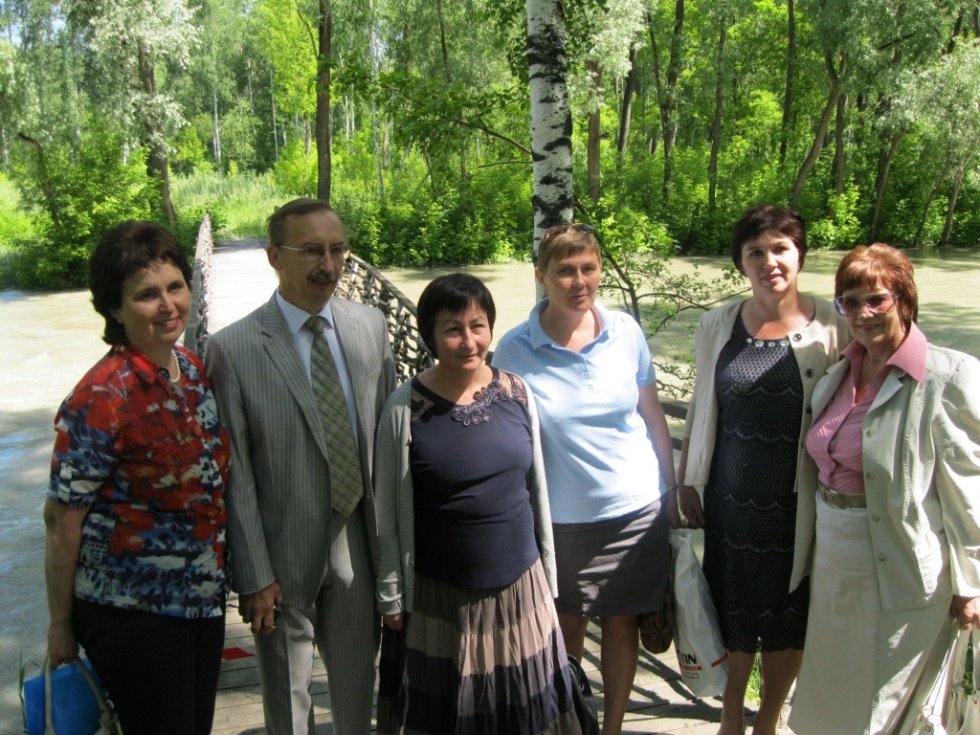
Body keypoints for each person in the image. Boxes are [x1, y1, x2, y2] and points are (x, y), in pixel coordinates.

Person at [205, 198, 396, 735]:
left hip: (357, 540)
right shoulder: (233, 348)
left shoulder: (370, 326)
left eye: (337, 250)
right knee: (288, 704)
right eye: (312, 250)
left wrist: (394, 557)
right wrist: (253, 574)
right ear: (274, 256)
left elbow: (387, 445)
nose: (328, 265)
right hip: (280, 552)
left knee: (357, 695)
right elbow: (237, 475)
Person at [373, 273, 581, 735]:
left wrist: (549, 575)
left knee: (527, 713)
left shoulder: (517, 393)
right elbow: (386, 511)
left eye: (478, 326)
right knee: (451, 716)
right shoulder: (404, 409)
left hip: (521, 590)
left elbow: (536, 489)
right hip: (442, 600)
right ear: (430, 336)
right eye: (453, 329)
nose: (469, 341)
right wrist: (391, 594)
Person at [43, 220, 230, 735]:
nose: (168, 305)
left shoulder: (190, 369)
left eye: (176, 287)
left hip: (201, 599)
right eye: (147, 295)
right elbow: (60, 521)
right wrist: (60, 624)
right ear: (115, 309)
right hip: (133, 614)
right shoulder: (101, 396)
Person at [493, 223, 678, 735]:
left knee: (622, 625)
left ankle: (612, 728)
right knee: (565, 627)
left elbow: (652, 416)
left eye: (589, 268)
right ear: (540, 277)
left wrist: (672, 490)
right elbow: (505, 438)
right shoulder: (515, 349)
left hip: (636, 509)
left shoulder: (625, 332)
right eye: (565, 271)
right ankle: (571, 725)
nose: (580, 281)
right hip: (562, 519)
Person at [789, 243, 980, 735]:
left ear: (904, 299)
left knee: (881, 705)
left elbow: (968, 489)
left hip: (898, 566)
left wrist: (972, 584)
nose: (863, 313)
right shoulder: (838, 370)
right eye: (850, 302)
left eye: (877, 299)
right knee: (833, 694)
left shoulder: (947, 376)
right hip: (834, 562)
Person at [676, 205, 848, 735]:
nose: (769, 261)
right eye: (756, 252)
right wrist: (686, 479)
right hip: (728, 500)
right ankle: (730, 713)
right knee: (731, 612)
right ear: (741, 263)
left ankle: (768, 719)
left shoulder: (834, 325)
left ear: (800, 255)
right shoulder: (718, 323)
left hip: (797, 506)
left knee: (786, 618)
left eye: (780, 248)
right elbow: (703, 404)